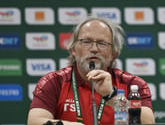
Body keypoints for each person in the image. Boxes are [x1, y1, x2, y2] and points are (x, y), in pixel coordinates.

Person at [27, 16, 155, 125]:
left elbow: (148, 123)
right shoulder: (54, 82)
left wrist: (112, 96)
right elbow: (34, 121)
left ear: (114, 54)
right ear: (73, 49)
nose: (94, 48)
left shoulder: (133, 84)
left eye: (102, 43)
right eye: (86, 42)